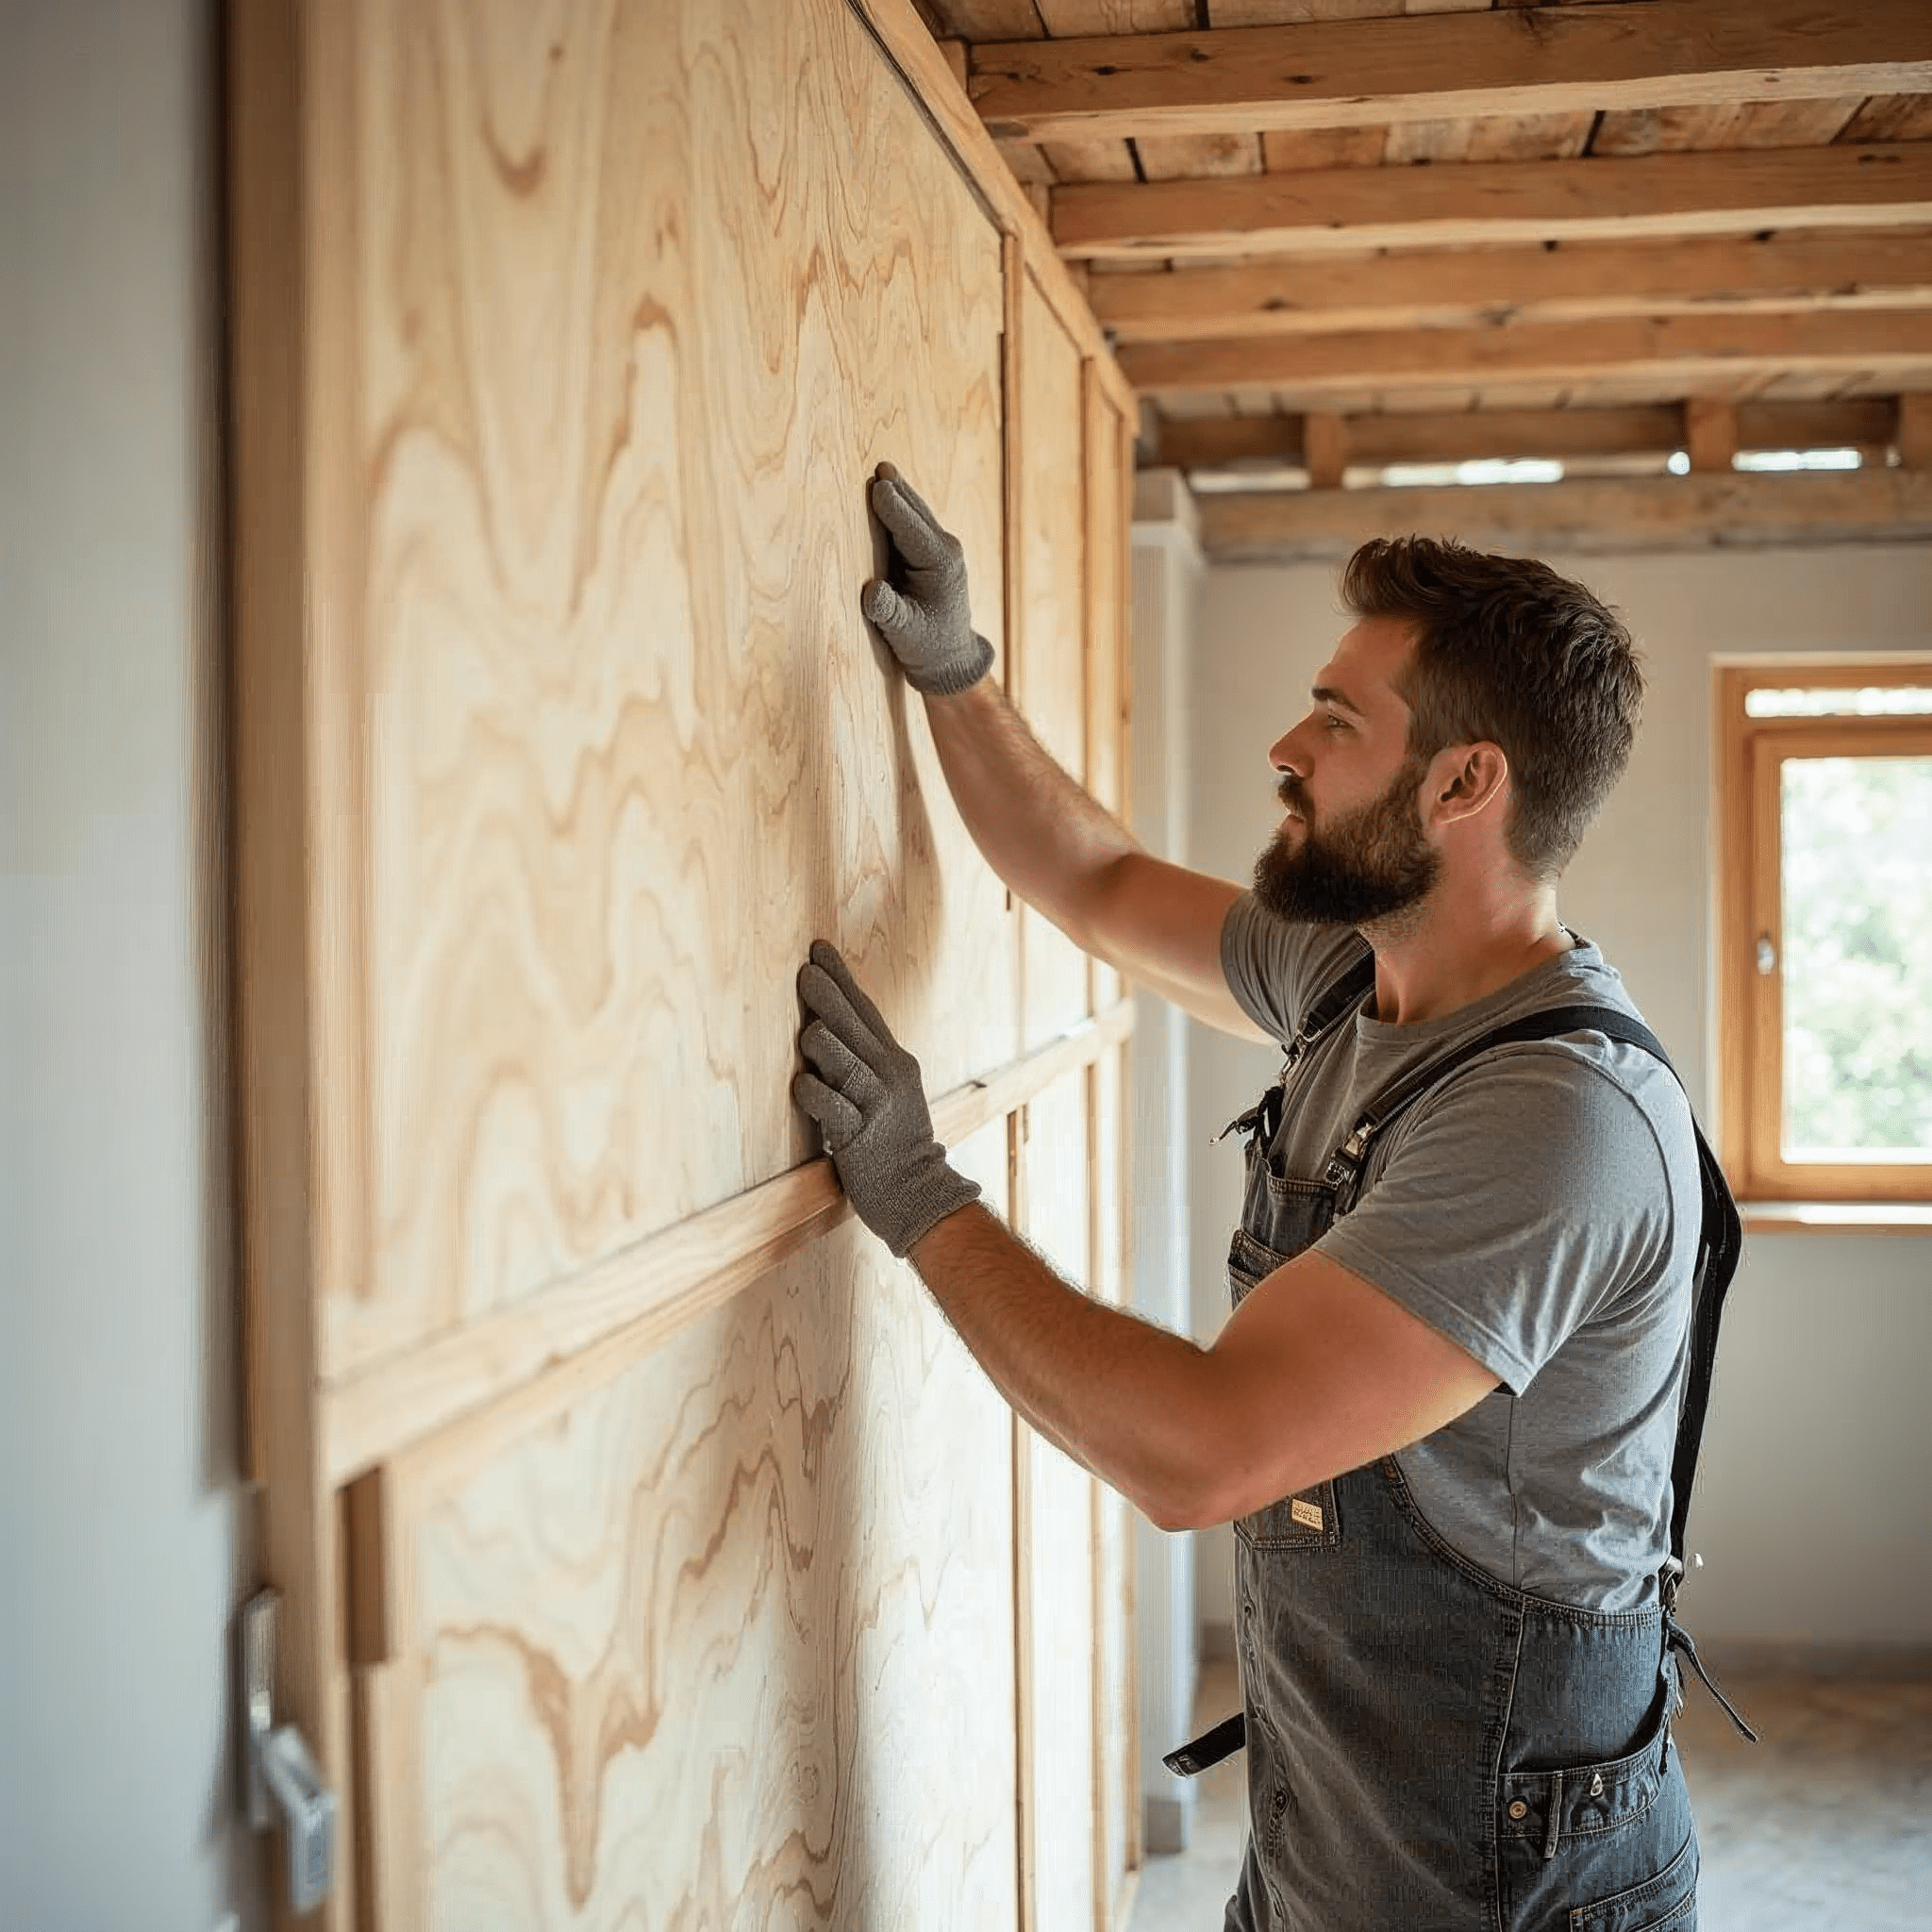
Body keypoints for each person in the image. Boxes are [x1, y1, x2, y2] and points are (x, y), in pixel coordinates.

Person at [793, 461, 1711, 1931]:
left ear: (1466, 783)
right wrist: (956, 672)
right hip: (1333, 1841)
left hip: (1503, 1888)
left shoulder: (1554, 1123)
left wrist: (914, 1190)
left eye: (1338, 724)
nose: (1287, 747)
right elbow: (1090, 878)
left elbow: (1207, 1454)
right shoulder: (1353, 981)